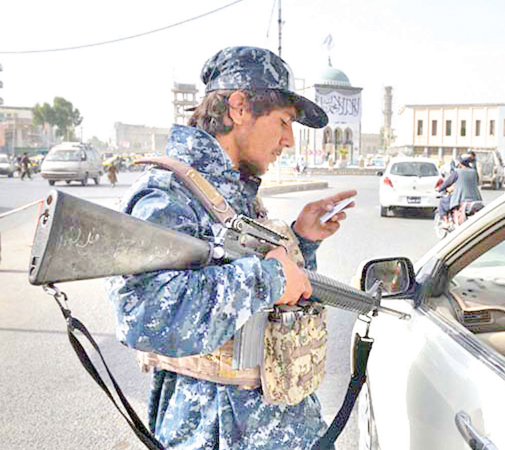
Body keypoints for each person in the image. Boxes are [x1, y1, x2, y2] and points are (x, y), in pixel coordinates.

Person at [104, 46, 356, 450]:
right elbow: (143, 316)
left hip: (277, 424)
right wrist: (270, 278)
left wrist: (302, 239)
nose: (289, 140)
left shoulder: (231, 191)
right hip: (216, 432)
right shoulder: (168, 193)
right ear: (239, 107)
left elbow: (256, 302)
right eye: (283, 122)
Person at [437, 153, 482, 226]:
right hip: (476, 199)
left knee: (443, 202)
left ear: (460, 163)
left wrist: (440, 189)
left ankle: (446, 222)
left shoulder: (457, 172)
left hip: (461, 199)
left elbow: (447, 183)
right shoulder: (474, 172)